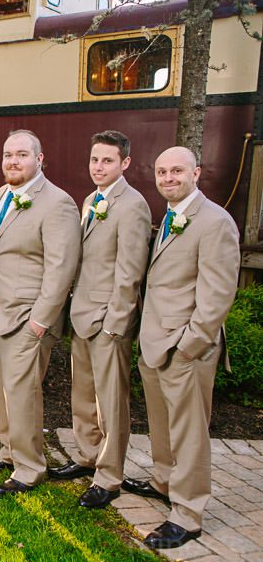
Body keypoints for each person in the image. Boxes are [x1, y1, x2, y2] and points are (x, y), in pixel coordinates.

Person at [128, 146, 240, 549]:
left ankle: (188, 513)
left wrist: (188, 347)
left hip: (186, 349)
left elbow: (217, 296)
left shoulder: (215, 222)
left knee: (190, 433)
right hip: (155, 343)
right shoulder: (171, 217)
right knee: (161, 424)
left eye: (177, 170)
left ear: (197, 172)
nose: (168, 177)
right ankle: (163, 481)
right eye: (161, 171)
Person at [48, 131, 151, 509]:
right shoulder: (92, 200)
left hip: (109, 320)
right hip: (83, 317)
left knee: (111, 402)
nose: (98, 166)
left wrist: (115, 322)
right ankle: (87, 457)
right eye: (94, 159)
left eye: (107, 160)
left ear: (124, 163)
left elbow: (130, 272)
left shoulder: (133, 205)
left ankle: (109, 476)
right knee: (83, 398)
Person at [0, 130, 81, 496]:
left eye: (22, 154)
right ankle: (9, 450)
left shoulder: (58, 203)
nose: (13, 161)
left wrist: (41, 319)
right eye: (8, 154)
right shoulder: (1, 195)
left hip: (28, 318)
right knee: (6, 391)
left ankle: (30, 467)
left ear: (40, 159)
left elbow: (61, 267)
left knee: (22, 394)